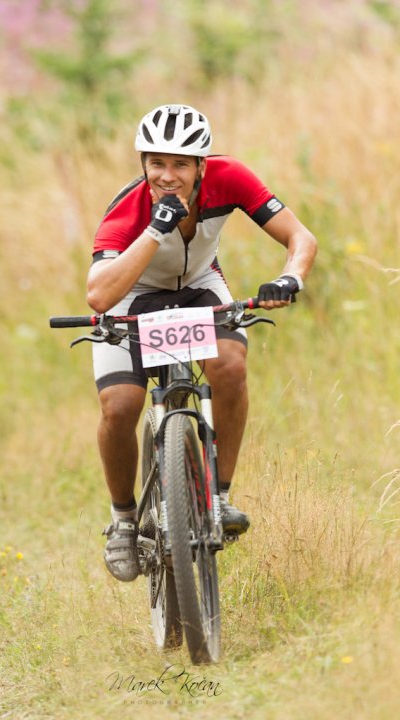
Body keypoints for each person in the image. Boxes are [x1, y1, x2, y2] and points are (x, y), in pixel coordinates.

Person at [87, 104, 317, 582]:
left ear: (202, 167)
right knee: (120, 406)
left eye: (180, 164)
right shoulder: (128, 210)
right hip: (132, 295)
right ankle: (124, 522)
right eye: (157, 164)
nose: (168, 176)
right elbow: (99, 294)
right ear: (143, 165)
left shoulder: (231, 178)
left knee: (230, 365)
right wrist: (156, 228)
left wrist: (289, 278)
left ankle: (219, 498)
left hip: (198, 285)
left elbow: (300, 237)